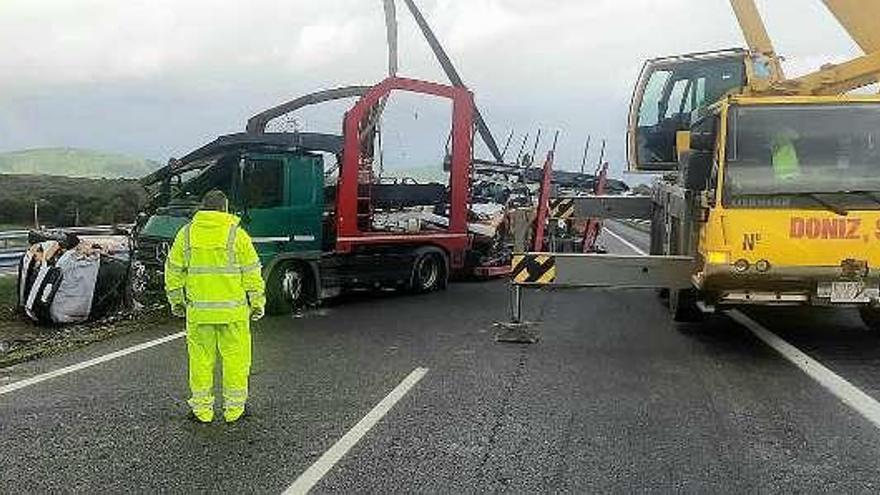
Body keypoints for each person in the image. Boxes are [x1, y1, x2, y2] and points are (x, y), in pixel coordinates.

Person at [164, 190, 265, 423]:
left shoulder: (186, 234)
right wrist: (257, 301)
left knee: (200, 361)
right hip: (233, 314)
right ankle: (234, 410)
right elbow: (251, 273)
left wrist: (177, 302)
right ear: (225, 209)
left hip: (199, 314)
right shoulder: (237, 235)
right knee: (236, 360)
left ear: (203, 208)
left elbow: (173, 271)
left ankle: (201, 411)